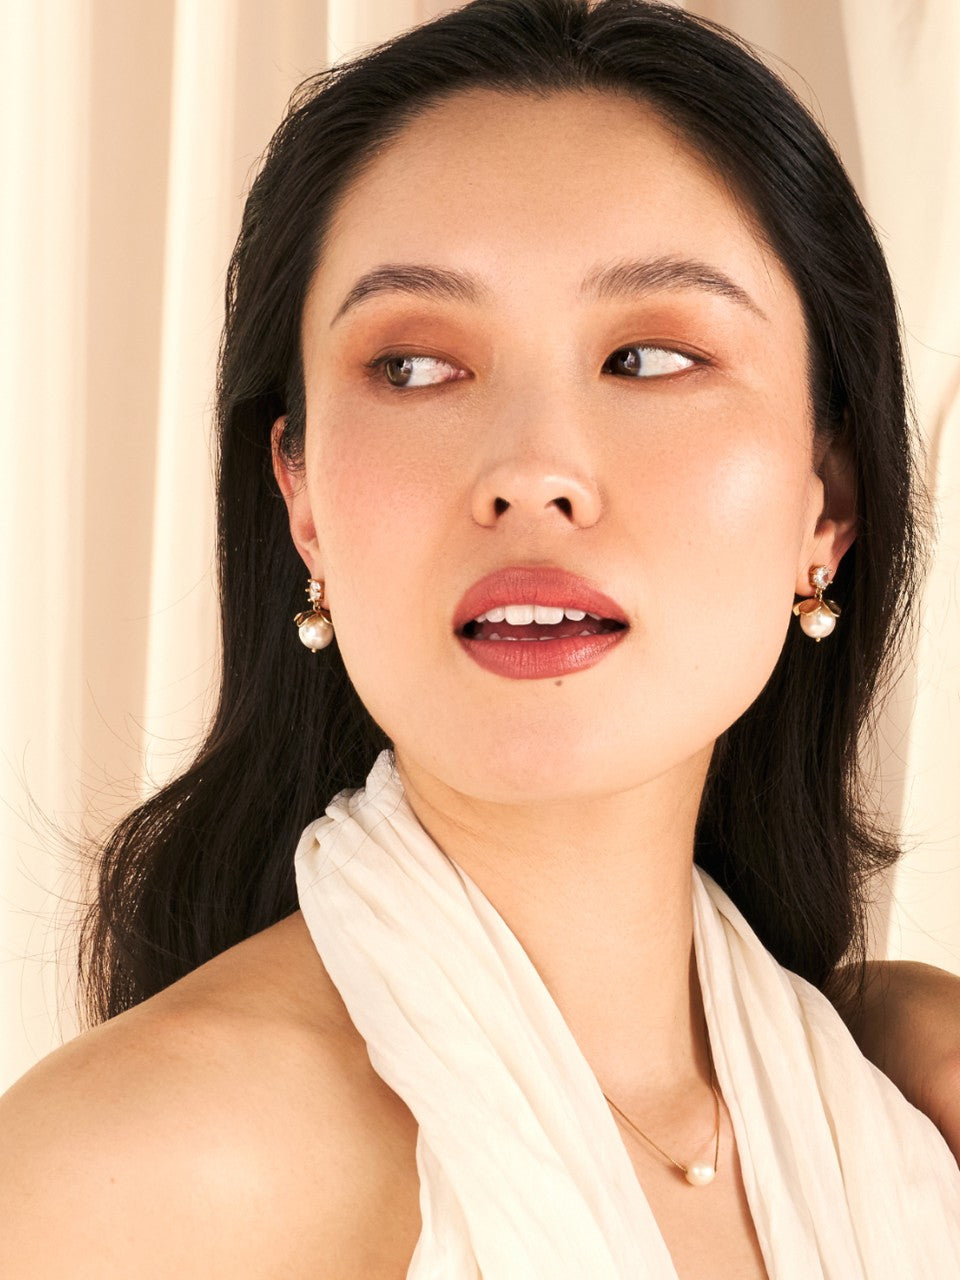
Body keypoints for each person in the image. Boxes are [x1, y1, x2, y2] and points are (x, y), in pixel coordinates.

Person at [1, 0, 959, 1275]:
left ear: (827, 500)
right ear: (302, 500)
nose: (532, 473)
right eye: (413, 368)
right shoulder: (138, 1173)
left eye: (652, 355)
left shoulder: (898, 1109)